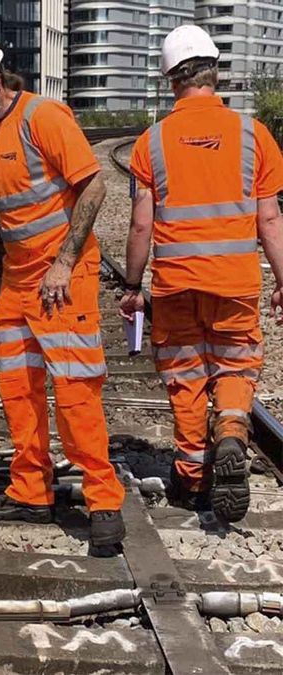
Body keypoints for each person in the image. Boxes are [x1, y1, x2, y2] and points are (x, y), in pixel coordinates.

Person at [0, 31, 126, 549]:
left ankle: (103, 500)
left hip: (63, 279)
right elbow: (4, 216)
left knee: (75, 393)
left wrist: (64, 263)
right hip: (19, 284)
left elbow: (94, 185)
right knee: (18, 390)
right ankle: (31, 490)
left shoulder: (43, 117)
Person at [121, 25, 283, 522]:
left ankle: (191, 478)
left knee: (186, 377)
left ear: (172, 79)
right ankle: (232, 430)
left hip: (174, 285)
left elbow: (141, 223)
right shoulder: (254, 136)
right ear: (216, 72)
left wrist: (132, 286)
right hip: (234, 282)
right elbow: (270, 218)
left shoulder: (150, 143)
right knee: (234, 367)